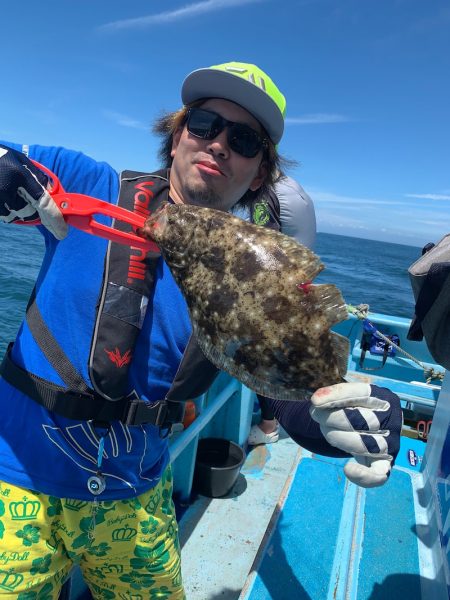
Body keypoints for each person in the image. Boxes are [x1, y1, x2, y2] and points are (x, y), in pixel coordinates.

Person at [0, 61, 402, 599]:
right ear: (177, 135)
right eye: (205, 124)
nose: (217, 145)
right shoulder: (91, 186)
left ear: (260, 172)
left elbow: (288, 392)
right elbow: (16, 164)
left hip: (135, 497)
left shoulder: (261, 273)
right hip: (13, 473)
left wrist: (349, 422)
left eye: (242, 139)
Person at [247, 175, 317, 445]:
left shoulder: (264, 195)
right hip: (298, 289)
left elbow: (263, 245)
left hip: (275, 295)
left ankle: (268, 425)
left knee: (258, 360)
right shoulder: (296, 190)